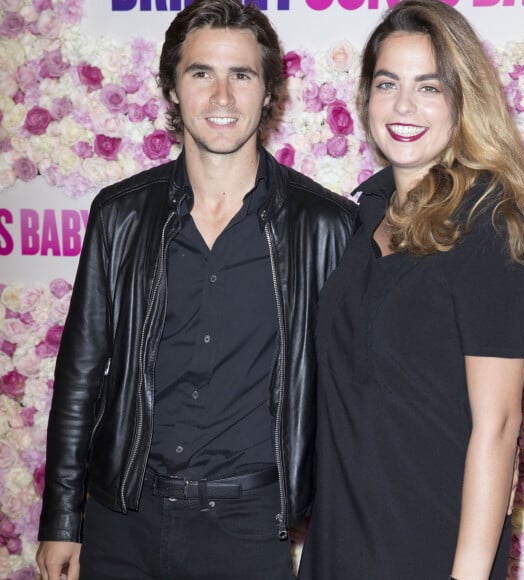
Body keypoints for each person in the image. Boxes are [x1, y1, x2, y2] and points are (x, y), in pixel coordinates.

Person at [35, 0, 356, 578]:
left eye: (242, 75)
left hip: (251, 525)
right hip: (122, 520)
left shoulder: (326, 226)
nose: (223, 97)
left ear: (268, 92)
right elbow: (81, 375)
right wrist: (62, 521)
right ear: (173, 89)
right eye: (201, 73)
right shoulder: (120, 214)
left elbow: (351, 393)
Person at [297, 1, 524, 579]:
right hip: (338, 547)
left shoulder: (492, 230)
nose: (404, 106)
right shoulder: (360, 219)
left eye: (429, 87)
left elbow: (499, 426)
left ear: (462, 101)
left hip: (432, 552)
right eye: (388, 83)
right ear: (366, 97)